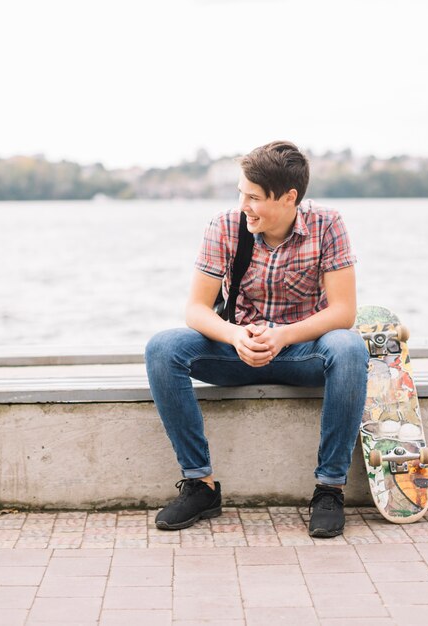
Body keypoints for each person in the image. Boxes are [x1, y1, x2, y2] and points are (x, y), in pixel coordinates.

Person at [145, 141, 368, 538]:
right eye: (241, 194)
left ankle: (329, 489)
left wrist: (284, 336)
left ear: (289, 198)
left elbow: (343, 313)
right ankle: (201, 484)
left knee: (349, 347)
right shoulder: (226, 226)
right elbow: (196, 309)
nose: (244, 205)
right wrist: (235, 336)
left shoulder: (328, 224)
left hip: (303, 352)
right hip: (238, 350)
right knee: (163, 349)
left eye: (254, 197)